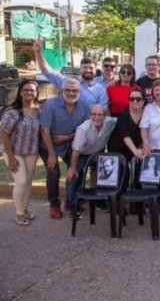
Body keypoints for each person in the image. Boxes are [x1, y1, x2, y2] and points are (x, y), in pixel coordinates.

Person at [39, 78, 89, 219]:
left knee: (77, 169)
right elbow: (44, 129)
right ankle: (54, 205)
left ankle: (70, 200)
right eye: (68, 90)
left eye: (75, 90)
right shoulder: (50, 104)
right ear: (61, 91)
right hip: (49, 144)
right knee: (53, 173)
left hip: (70, 144)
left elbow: (84, 129)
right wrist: (51, 153)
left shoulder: (84, 106)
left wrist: (67, 138)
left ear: (79, 92)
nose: (71, 93)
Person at [65, 105, 117, 217]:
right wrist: (73, 168)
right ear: (90, 115)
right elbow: (76, 151)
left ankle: (99, 201)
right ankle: (72, 205)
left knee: (102, 176)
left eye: (100, 115)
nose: (97, 117)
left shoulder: (110, 122)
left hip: (98, 152)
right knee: (74, 177)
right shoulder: (83, 129)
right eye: (94, 114)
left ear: (105, 116)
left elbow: (120, 121)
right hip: (81, 154)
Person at [1, 80, 40, 225]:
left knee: (28, 182)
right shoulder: (13, 112)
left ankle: (25, 209)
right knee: (21, 181)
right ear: (20, 92)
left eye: (32, 90)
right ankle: (19, 213)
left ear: (36, 93)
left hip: (31, 151)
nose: (29, 92)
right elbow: (4, 134)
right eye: (26, 90)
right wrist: (11, 158)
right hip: (14, 151)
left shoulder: (38, 110)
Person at [34, 40, 108, 109]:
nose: (88, 70)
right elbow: (48, 72)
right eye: (85, 67)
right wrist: (38, 52)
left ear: (95, 70)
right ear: (80, 69)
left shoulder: (100, 89)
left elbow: (102, 110)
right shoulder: (67, 82)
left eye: (91, 68)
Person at [140, 80, 160, 155]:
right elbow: (144, 128)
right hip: (151, 150)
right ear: (153, 93)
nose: (159, 92)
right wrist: (145, 143)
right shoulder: (148, 108)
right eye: (156, 90)